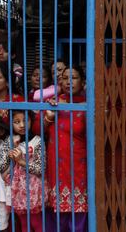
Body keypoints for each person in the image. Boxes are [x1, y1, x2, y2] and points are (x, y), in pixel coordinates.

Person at [44, 65, 87, 231]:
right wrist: (49, 116)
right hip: (57, 166)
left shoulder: (87, 105)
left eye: (74, 78)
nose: (69, 82)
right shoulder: (54, 102)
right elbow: (35, 130)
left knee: (79, 214)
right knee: (58, 217)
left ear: (83, 82)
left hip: (79, 166)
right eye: (65, 78)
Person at [0, 110, 47, 232]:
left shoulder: (37, 141)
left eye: (26, 120)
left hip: (33, 189)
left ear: (31, 121)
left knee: (37, 223)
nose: (22, 125)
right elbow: (1, 167)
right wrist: (11, 147)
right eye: (17, 122)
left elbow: (40, 168)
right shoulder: (9, 141)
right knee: (24, 224)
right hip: (16, 189)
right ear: (11, 123)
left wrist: (21, 161)